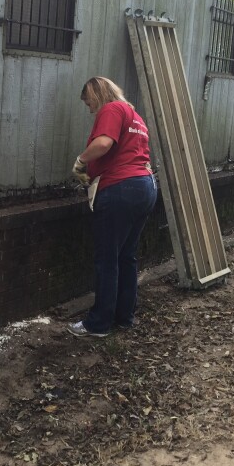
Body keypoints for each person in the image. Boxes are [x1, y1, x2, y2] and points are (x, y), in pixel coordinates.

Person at [69, 77, 157, 338]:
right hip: (145, 187)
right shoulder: (134, 115)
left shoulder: (112, 109)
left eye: (89, 102)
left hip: (121, 189)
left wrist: (81, 161)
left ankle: (98, 324)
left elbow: (104, 143)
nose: (90, 109)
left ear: (97, 94)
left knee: (107, 259)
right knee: (126, 256)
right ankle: (124, 316)